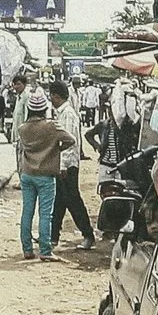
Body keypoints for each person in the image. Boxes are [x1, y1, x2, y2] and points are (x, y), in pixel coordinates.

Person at [15, 90, 69, 261]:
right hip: (46, 175)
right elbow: (71, 140)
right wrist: (55, 150)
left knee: (27, 212)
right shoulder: (51, 126)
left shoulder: (22, 128)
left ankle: (27, 249)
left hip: (27, 174)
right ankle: (45, 250)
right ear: (45, 108)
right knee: (45, 214)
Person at [46, 80, 97, 252]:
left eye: (51, 95)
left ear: (55, 95)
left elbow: (68, 141)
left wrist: (63, 166)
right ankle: (53, 237)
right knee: (59, 201)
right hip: (63, 164)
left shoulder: (67, 114)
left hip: (67, 165)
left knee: (73, 201)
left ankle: (88, 234)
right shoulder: (62, 113)